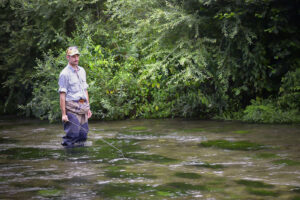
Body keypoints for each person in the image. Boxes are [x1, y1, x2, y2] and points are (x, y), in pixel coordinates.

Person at [58, 46, 92, 147]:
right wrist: (64, 114)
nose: (76, 58)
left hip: (82, 104)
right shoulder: (64, 74)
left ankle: (80, 159)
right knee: (73, 135)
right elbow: (62, 95)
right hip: (70, 107)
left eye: (77, 56)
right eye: (73, 56)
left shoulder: (82, 71)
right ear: (68, 57)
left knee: (83, 135)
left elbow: (84, 90)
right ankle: (69, 159)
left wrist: (88, 107)